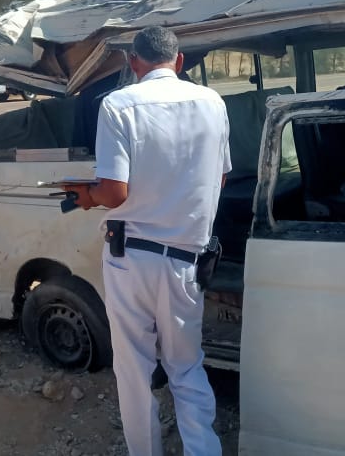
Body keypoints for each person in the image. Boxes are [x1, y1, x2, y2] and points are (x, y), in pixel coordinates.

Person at [65, 26, 229, 456]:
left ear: (133, 63)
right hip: (187, 261)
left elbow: (114, 192)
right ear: (179, 61)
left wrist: (86, 196)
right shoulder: (212, 102)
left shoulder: (118, 104)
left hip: (131, 259)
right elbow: (219, 178)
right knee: (186, 367)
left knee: (134, 370)